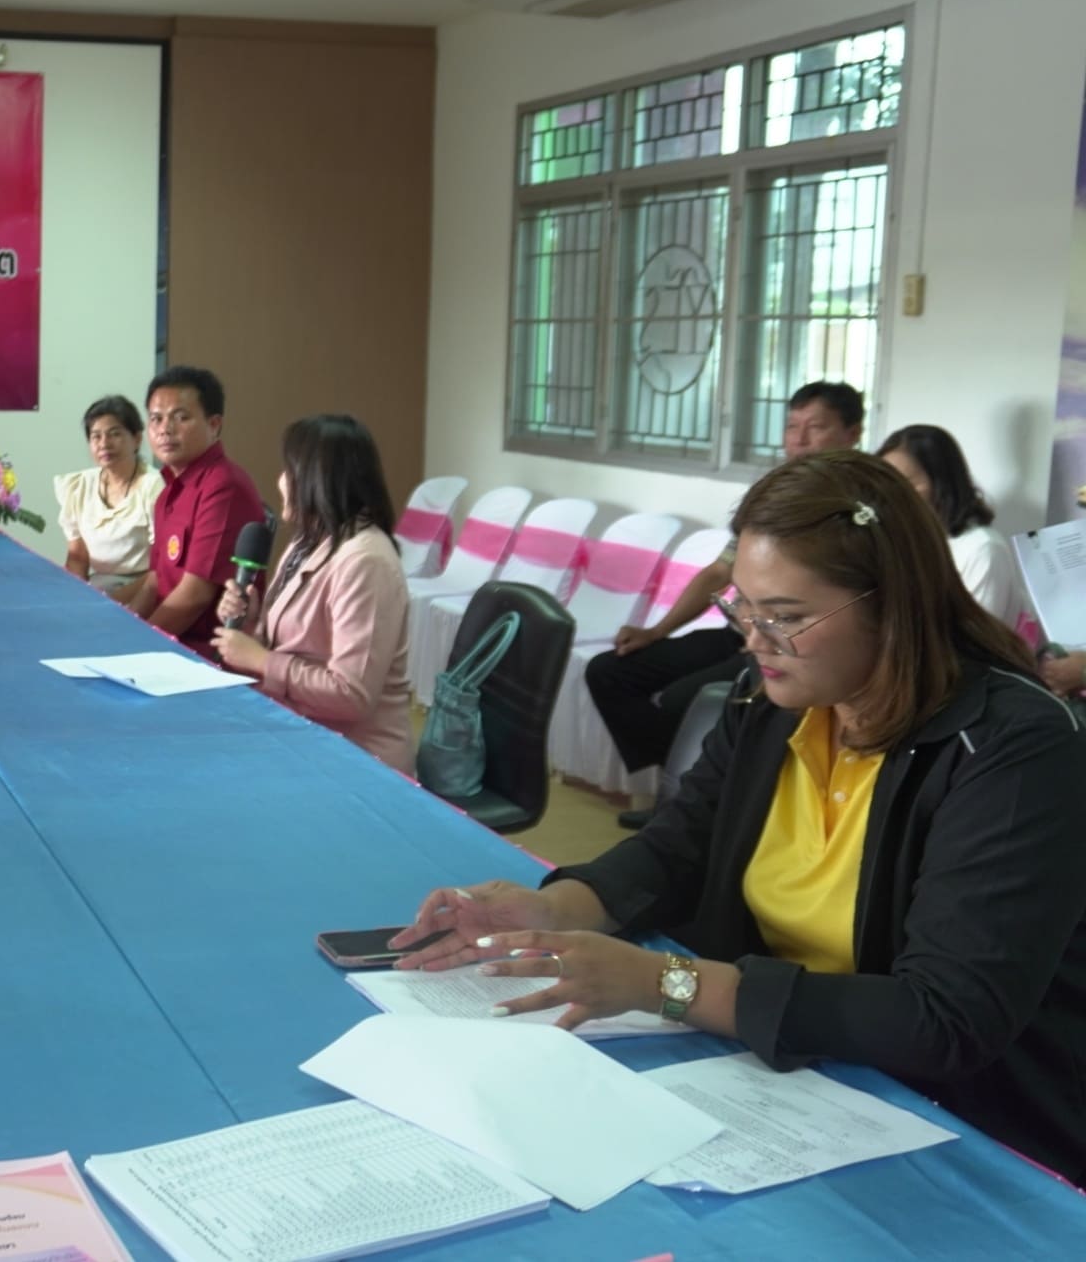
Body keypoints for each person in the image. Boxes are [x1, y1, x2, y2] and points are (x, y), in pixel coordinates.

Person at [389, 450, 1086, 1184]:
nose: (753, 639)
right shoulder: (776, 701)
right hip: (801, 1076)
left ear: (893, 604)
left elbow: (943, 1019)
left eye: (785, 616)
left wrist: (668, 983)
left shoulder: (1012, 749)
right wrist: (553, 909)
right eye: (743, 609)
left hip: (967, 1121)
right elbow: (677, 846)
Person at [589, 381, 864, 828]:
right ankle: (689, 792)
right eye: (792, 427)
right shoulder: (776, 494)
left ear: (852, 433)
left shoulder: (857, 504)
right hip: (736, 631)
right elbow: (720, 572)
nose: (799, 440)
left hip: (787, 641)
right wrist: (656, 631)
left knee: (684, 700)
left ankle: (692, 800)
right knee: (609, 671)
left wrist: (769, 629)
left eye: (816, 427)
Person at [211, 415, 413, 773]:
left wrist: (261, 661)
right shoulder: (308, 541)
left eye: (289, 471)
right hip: (297, 731)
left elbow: (351, 696)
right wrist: (253, 621)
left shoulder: (365, 561)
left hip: (354, 760)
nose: (280, 481)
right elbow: (299, 645)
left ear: (319, 480)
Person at [116, 366, 267, 656]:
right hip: (169, 642)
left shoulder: (223, 486)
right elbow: (155, 582)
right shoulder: (169, 491)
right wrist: (125, 630)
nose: (165, 429)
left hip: (206, 654)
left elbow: (194, 596)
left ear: (214, 424)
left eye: (181, 417)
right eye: (156, 419)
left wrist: (136, 649)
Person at [878, 424, 1015, 620]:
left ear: (943, 482)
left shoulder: (982, 550)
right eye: (886, 483)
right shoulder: (899, 543)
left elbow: (976, 635)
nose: (892, 495)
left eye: (906, 483)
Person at [55, 394, 163, 593]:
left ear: (137, 439)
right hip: (100, 585)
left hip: (145, 585)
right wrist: (76, 597)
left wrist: (111, 602)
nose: (104, 443)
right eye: (96, 436)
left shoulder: (153, 485)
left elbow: (162, 566)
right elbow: (77, 558)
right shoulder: (79, 486)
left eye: (115, 434)